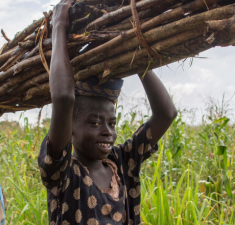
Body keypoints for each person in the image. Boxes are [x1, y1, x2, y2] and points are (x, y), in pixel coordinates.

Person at [38, 0, 178, 224]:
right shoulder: (62, 172)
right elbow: (64, 98)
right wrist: (60, 26)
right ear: (69, 127)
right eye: (94, 123)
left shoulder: (123, 162)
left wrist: (136, 57)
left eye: (111, 124)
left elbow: (166, 114)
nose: (108, 132)